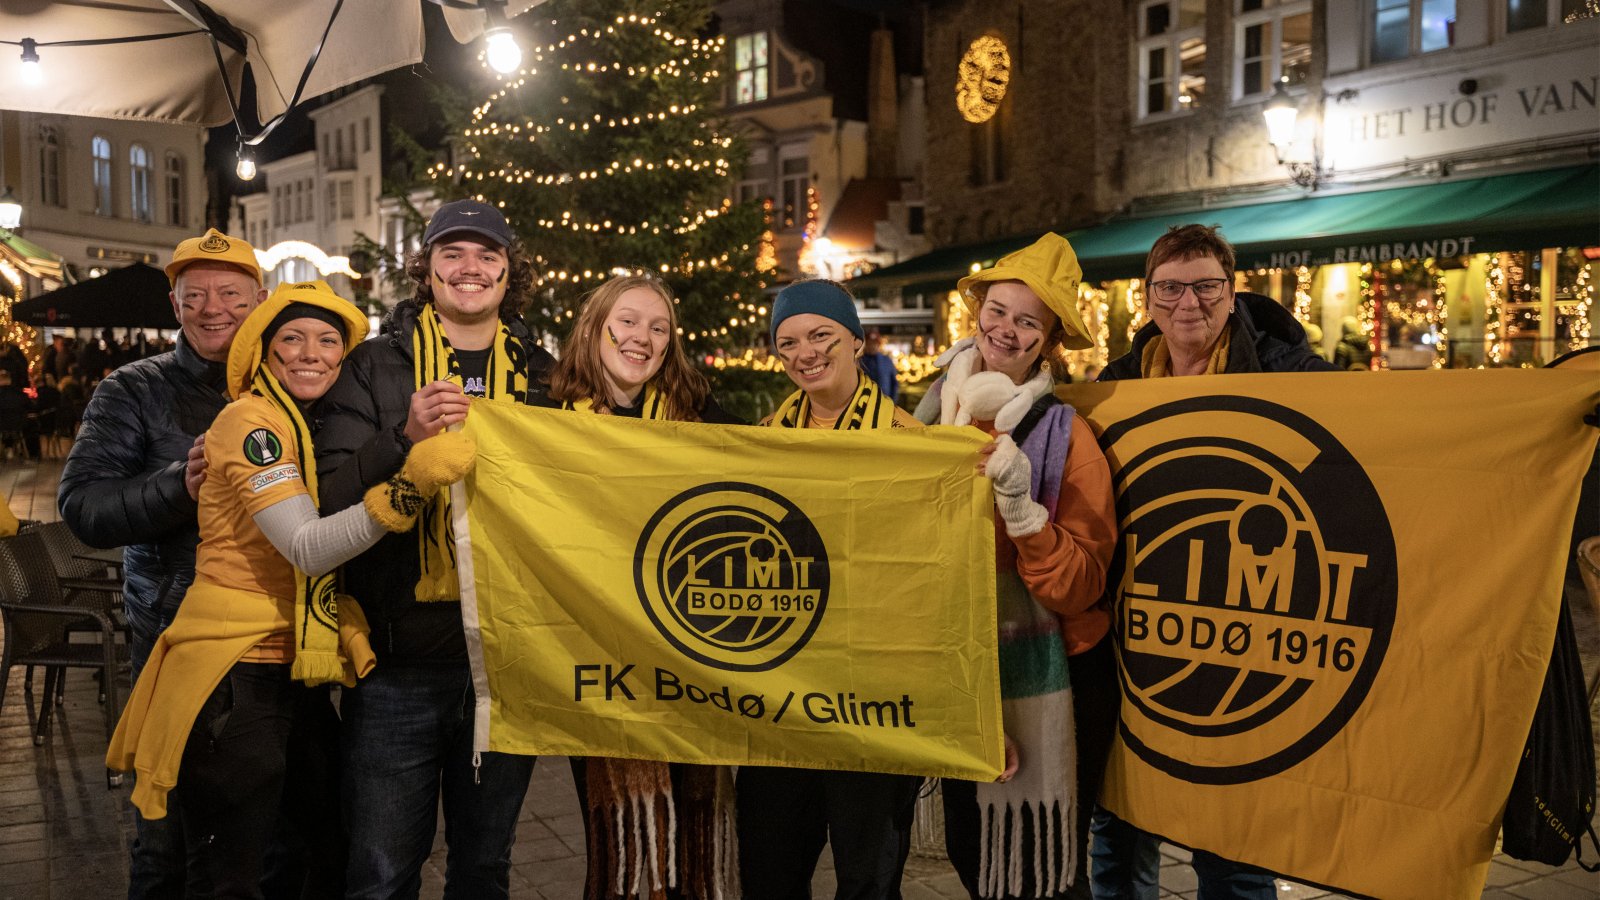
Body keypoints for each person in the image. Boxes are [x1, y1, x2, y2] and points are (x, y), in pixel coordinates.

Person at [106, 280, 472, 899]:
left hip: (285, 670)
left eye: (329, 340)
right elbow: (307, 545)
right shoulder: (255, 424)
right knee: (229, 877)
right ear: (263, 353)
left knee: (320, 850)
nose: (312, 352)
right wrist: (404, 493)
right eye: (292, 339)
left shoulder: (303, 423)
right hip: (230, 675)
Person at [315, 199, 556, 900]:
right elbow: (330, 493)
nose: (470, 268)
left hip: (505, 665)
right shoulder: (373, 366)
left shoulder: (541, 374)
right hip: (398, 668)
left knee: (484, 868)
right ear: (427, 269)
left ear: (511, 274)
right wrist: (403, 438)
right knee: (383, 873)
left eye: (488, 255)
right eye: (452, 253)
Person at [1091, 224, 1332, 900]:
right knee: (1119, 827)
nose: (1186, 302)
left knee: (1231, 835)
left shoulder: (1287, 370)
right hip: (1138, 631)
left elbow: (1383, 430)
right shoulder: (1118, 382)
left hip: (1241, 628)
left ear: (1231, 292)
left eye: (1204, 285)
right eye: (1169, 287)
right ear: (1147, 297)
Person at [58, 228, 267, 900]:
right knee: (166, 831)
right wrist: (179, 484)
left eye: (231, 295)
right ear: (174, 305)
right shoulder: (132, 389)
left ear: (259, 299)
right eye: (195, 295)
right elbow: (83, 506)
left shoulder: (293, 382)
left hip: (279, 646)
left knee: (267, 835)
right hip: (176, 641)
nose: (214, 309)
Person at [913, 233, 1118, 900]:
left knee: (1044, 874)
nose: (1006, 329)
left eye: (1027, 321)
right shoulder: (928, 415)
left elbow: (1080, 585)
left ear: (1047, 340)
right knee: (975, 858)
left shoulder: (1066, 435)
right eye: (997, 310)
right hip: (959, 672)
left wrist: (1024, 513)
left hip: (1045, 673)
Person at [534, 272, 740, 899]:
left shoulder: (702, 416)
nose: (641, 338)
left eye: (658, 327)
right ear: (594, 326)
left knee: (690, 820)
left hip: (689, 654)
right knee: (619, 837)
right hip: (599, 661)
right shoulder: (541, 419)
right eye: (627, 321)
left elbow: (786, 468)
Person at [737, 279, 923, 900]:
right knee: (769, 873)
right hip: (781, 699)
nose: (804, 353)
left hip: (869, 702)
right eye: (786, 342)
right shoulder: (763, 441)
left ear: (855, 339)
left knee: (868, 881)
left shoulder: (909, 443)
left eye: (820, 335)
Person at [859, 329, 901, 403]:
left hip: (884, 403)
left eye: (875, 344)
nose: (872, 346)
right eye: (870, 343)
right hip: (865, 403)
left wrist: (893, 402)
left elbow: (894, 383)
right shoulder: (859, 361)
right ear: (866, 344)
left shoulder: (886, 360)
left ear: (879, 345)